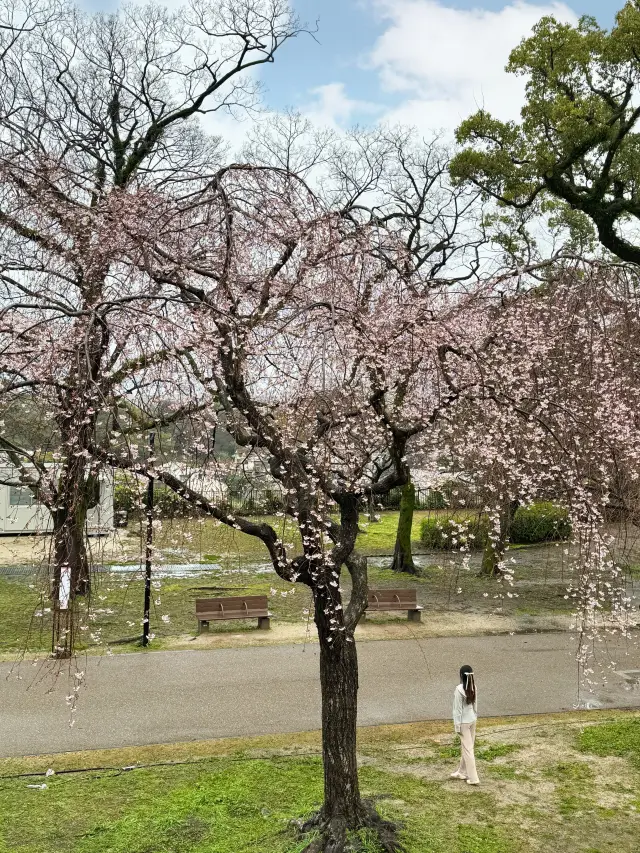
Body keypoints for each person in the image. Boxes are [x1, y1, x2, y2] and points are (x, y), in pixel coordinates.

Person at [450, 664, 479, 785]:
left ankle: (473, 778)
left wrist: (457, 726)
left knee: (468, 750)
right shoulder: (474, 687)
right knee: (467, 747)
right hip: (472, 719)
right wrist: (475, 716)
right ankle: (462, 771)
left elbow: (457, 710)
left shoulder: (459, 690)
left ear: (461, 676)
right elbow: (475, 704)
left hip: (463, 722)